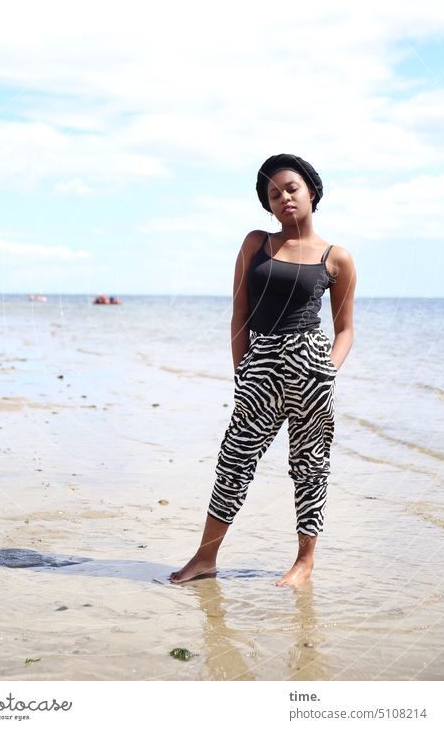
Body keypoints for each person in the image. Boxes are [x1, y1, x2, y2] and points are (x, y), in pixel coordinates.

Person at [170, 153, 356, 587]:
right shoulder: (256, 243)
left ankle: (304, 563)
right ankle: (204, 558)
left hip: (312, 368)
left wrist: (327, 370)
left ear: (311, 190)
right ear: (268, 204)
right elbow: (239, 316)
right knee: (234, 460)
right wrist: (243, 373)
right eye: (274, 194)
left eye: (292, 188)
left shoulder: (337, 258)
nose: (284, 197)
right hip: (260, 366)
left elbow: (345, 329)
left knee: (310, 464)